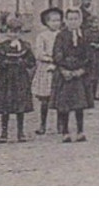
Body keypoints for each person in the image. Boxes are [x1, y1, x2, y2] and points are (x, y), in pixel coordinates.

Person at [0, 14, 36, 143]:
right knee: (5, 107)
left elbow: (31, 62)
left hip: (20, 79)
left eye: (17, 32)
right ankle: (4, 132)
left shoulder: (25, 46)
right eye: (11, 31)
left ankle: (20, 132)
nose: (13, 34)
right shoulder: (0, 47)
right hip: (5, 79)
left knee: (20, 107)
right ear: (6, 32)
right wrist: (3, 63)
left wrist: (22, 62)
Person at [51, 7, 93, 142]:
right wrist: (64, 69)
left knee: (79, 104)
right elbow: (57, 54)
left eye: (76, 19)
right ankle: (65, 132)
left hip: (79, 74)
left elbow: (88, 55)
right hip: (65, 74)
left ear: (80, 20)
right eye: (70, 19)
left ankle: (80, 131)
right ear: (66, 20)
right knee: (64, 105)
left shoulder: (84, 36)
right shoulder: (61, 36)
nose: (73, 22)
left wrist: (81, 70)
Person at [33, 7, 63, 135]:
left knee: (60, 98)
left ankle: (60, 125)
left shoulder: (63, 35)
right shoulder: (42, 36)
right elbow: (39, 53)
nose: (56, 23)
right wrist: (50, 59)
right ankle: (42, 124)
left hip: (60, 68)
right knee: (45, 99)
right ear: (46, 22)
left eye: (58, 20)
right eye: (52, 20)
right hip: (46, 69)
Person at [80, 4, 99, 106]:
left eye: (96, 22)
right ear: (90, 23)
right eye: (93, 22)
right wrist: (90, 45)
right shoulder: (86, 33)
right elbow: (83, 43)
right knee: (88, 76)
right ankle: (88, 94)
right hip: (89, 56)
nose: (95, 24)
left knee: (96, 76)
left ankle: (94, 94)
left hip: (97, 56)